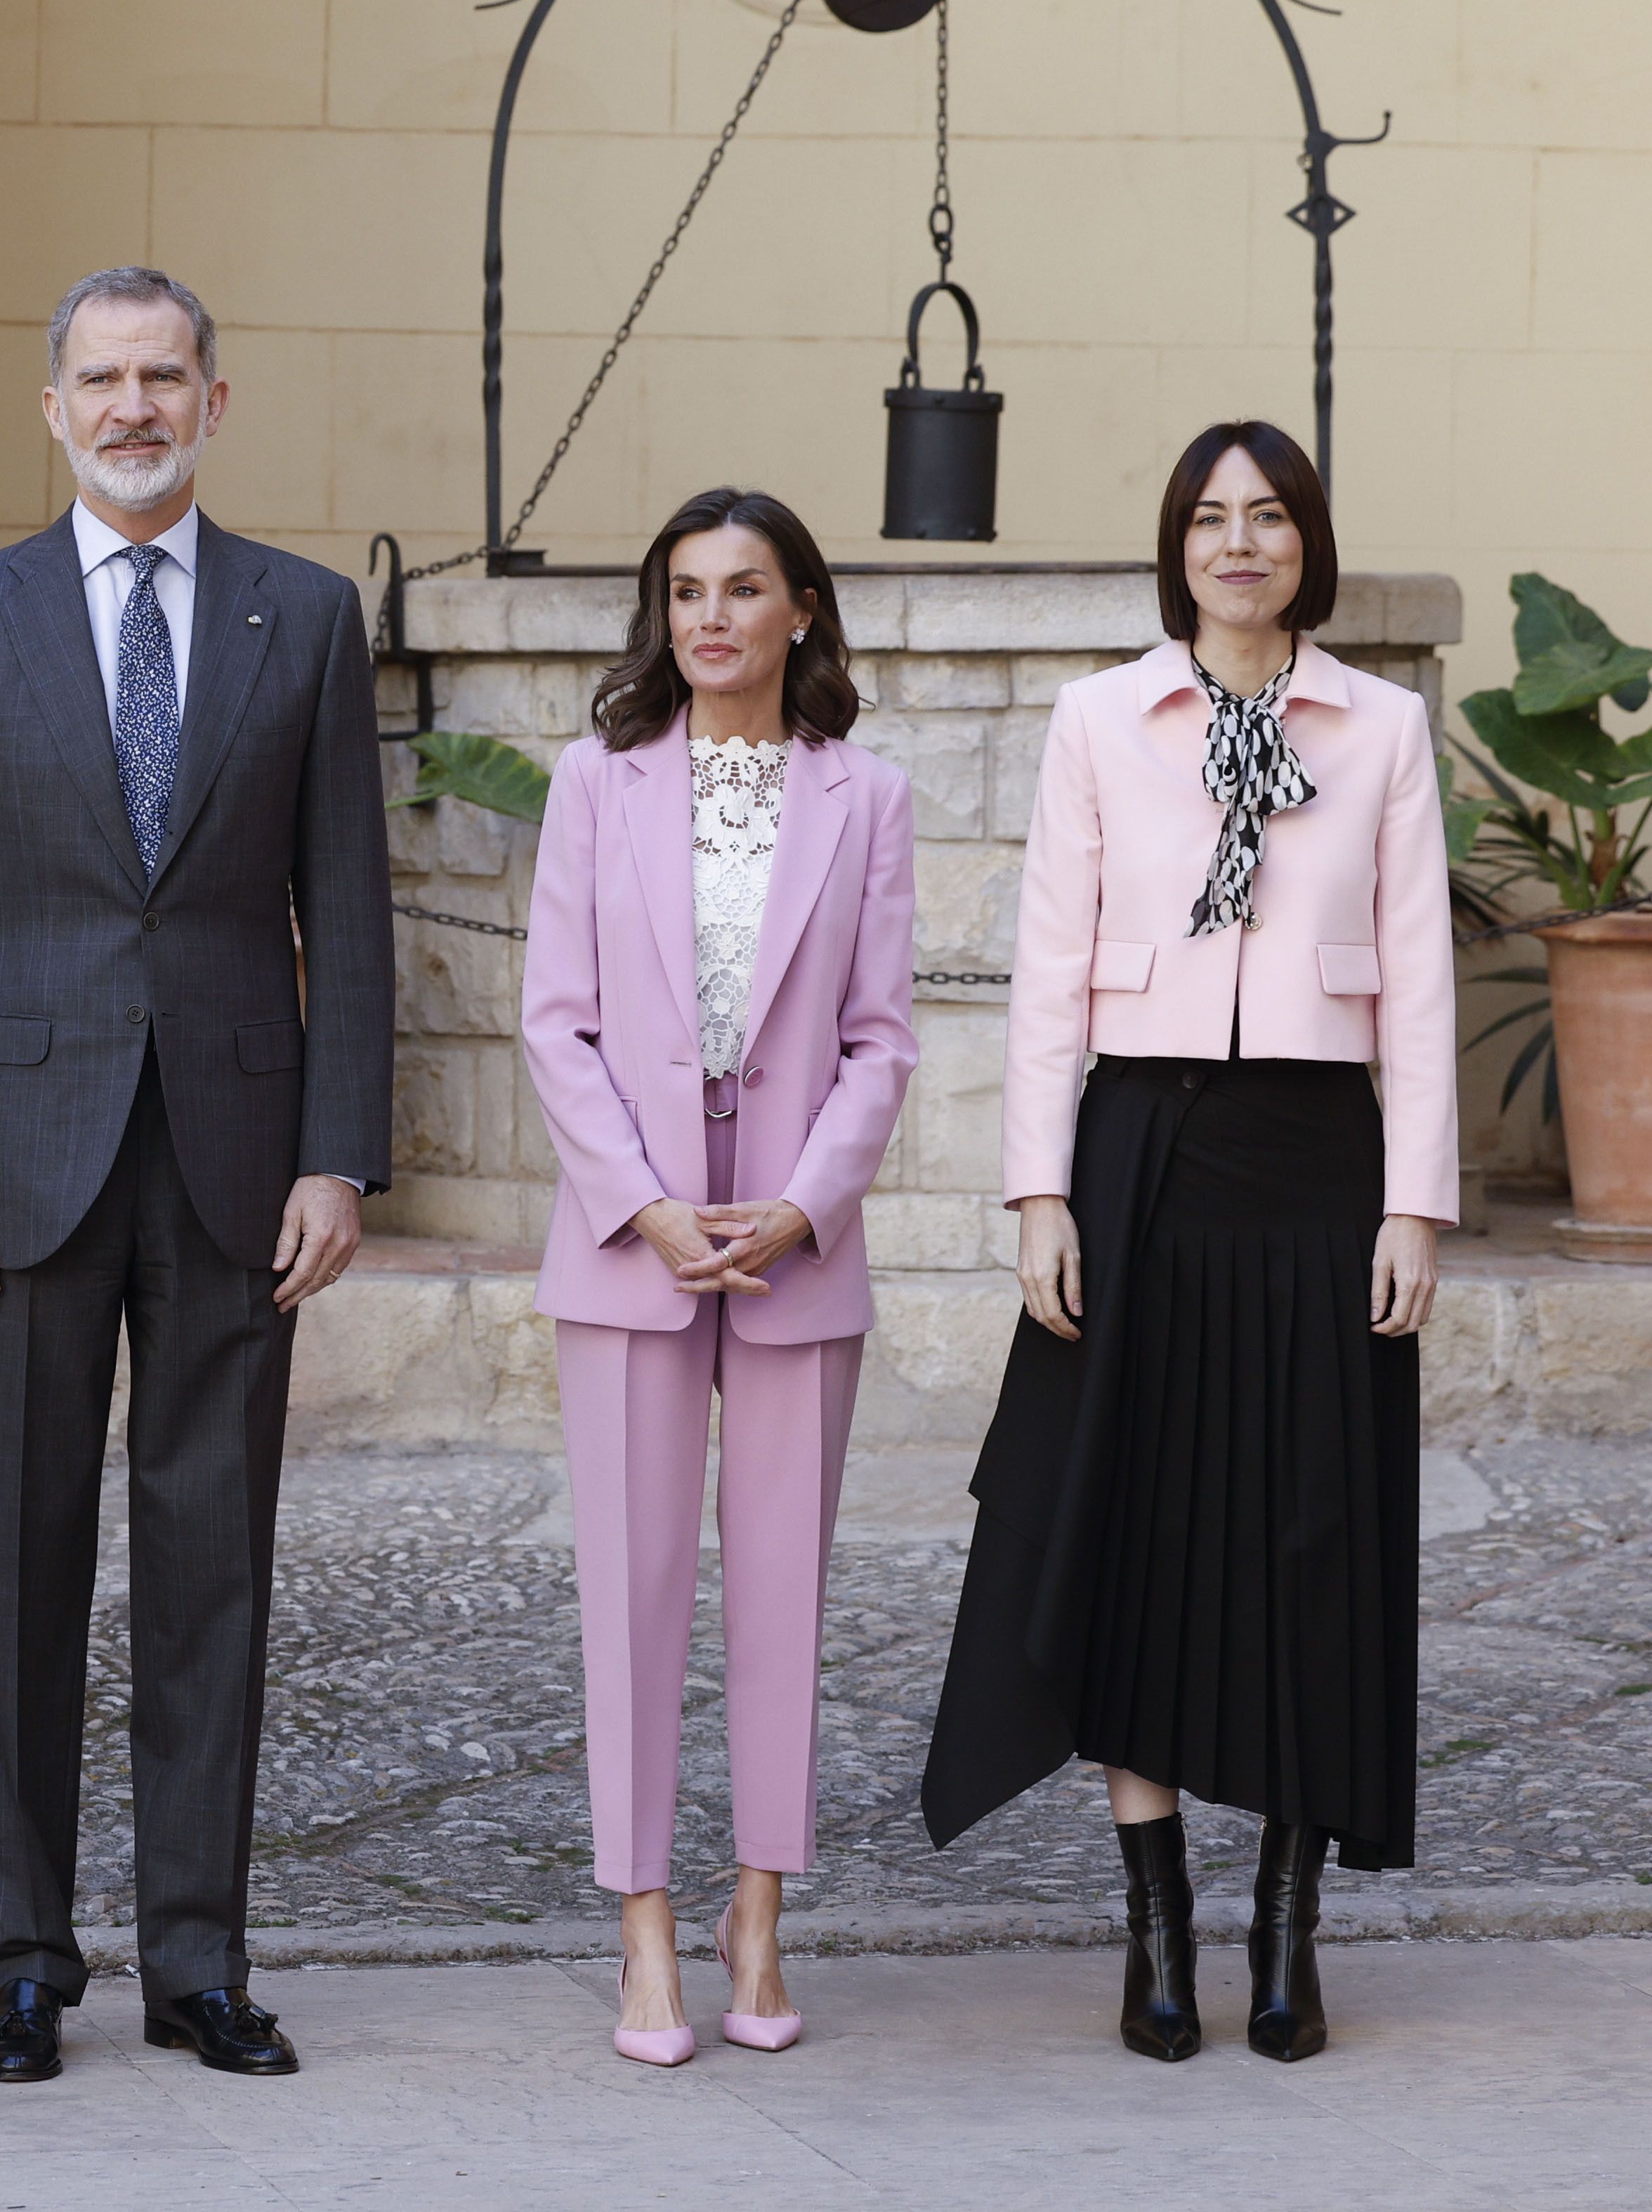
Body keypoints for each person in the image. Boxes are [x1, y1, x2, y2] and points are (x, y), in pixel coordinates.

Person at [0, 264, 391, 2085]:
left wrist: (341, 1152)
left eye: (166, 375)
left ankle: (197, 1960)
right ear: (54, 404)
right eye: (102, 377)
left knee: (212, 1569)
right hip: (13, 1170)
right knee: (15, 1572)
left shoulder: (305, 620)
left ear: (214, 402)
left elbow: (354, 910)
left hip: (241, 1164)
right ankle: (18, 1963)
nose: (135, 405)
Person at [922, 419, 1455, 2064]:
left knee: (1312, 1536)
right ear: (1178, 544)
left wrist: (1415, 1201)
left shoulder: (1382, 729)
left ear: (1311, 542)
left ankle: (1287, 1931)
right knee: (1133, 1530)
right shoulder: (1102, 719)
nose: (1241, 541)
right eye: (1212, 517)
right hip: (1137, 1149)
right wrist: (1037, 1194)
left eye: (1271, 515)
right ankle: (1155, 1932)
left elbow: (1425, 979)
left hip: (1318, 1160)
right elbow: (1047, 971)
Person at [518, 489, 917, 2068]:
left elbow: (883, 1036)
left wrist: (809, 1205)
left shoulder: (867, 796)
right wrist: (646, 1205)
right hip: (633, 1253)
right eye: (685, 590)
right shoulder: (594, 784)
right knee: (631, 1594)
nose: (711, 617)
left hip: (795, 1258)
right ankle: (644, 1931)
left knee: (781, 1598)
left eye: (744, 589)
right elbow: (557, 1019)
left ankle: (759, 1914)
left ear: (800, 608)